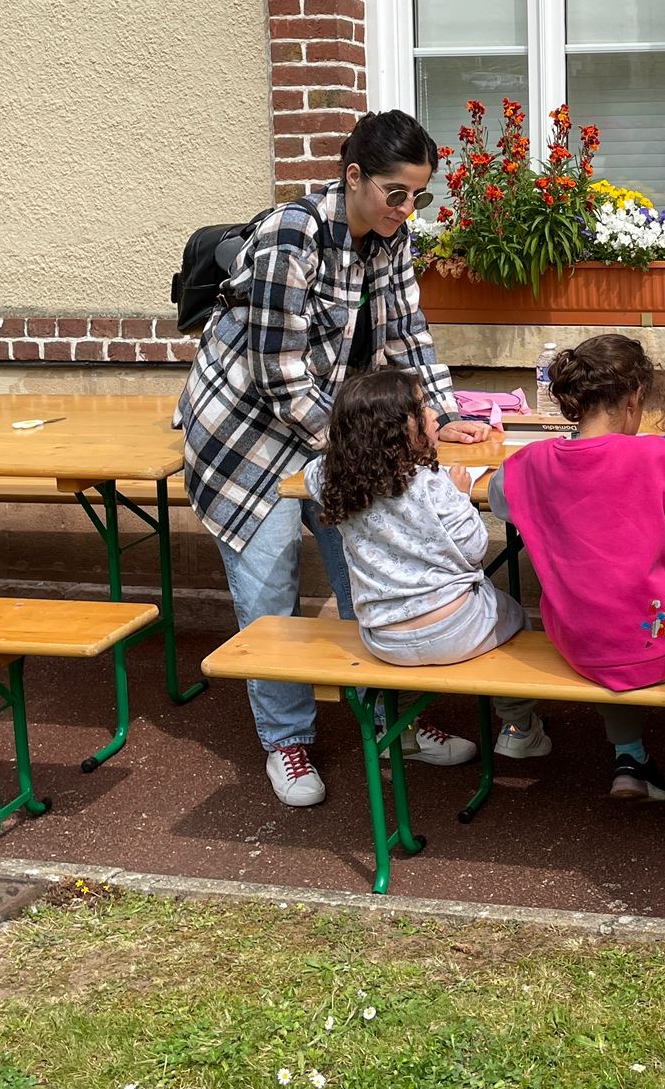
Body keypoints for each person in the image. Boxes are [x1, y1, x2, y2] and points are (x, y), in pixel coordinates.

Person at [179, 110, 491, 809]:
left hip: (339, 430)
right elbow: (279, 375)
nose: (407, 210)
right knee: (270, 590)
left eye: (418, 196)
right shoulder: (294, 233)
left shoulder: (392, 238)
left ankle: (393, 718)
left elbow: (410, 337)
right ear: (353, 177)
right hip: (247, 435)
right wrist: (371, 448)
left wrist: (442, 416)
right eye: (396, 193)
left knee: (365, 573)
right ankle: (285, 740)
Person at [488, 334, 665, 826]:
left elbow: (500, 500)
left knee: (609, 625)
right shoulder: (657, 457)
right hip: (658, 638)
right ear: (633, 399)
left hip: (578, 640)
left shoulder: (529, 464)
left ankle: (628, 759)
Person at [317, 369, 550, 757]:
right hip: (458, 630)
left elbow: (312, 472)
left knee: (407, 666)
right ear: (398, 430)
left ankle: (401, 731)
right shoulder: (434, 485)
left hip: (383, 637)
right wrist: (461, 496)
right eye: (423, 407)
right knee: (515, 616)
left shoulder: (334, 479)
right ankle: (517, 728)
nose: (433, 415)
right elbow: (474, 548)